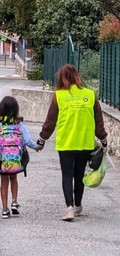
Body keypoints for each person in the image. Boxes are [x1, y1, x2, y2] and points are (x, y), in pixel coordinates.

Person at [37, 64, 108, 221]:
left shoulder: (59, 96)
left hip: (66, 143)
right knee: (79, 174)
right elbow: (98, 122)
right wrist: (103, 140)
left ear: (62, 78)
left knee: (67, 174)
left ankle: (68, 208)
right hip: (85, 143)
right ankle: (78, 205)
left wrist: (41, 140)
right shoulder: (90, 95)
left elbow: (50, 122)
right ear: (77, 76)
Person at [0, 96, 42, 219]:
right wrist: (37, 147)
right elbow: (27, 140)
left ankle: (5, 209)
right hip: (16, 159)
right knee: (14, 178)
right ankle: (14, 202)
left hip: (2, 160)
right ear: (15, 110)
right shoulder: (18, 124)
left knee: (3, 182)